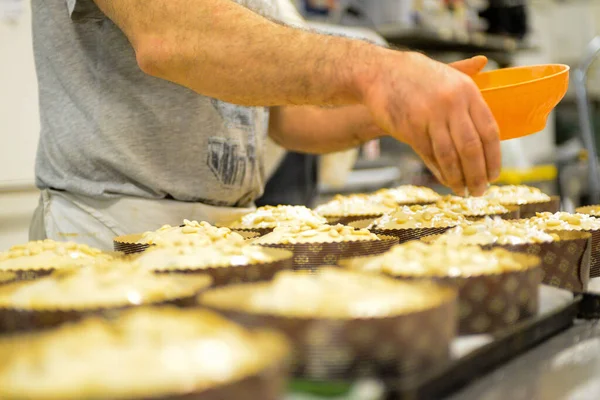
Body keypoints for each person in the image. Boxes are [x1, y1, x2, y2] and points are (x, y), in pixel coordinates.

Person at [29, 0, 500, 250]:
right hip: (110, 236)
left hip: (227, 233)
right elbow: (171, 34)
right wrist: (378, 72)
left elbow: (283, 111)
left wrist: (404, 107)